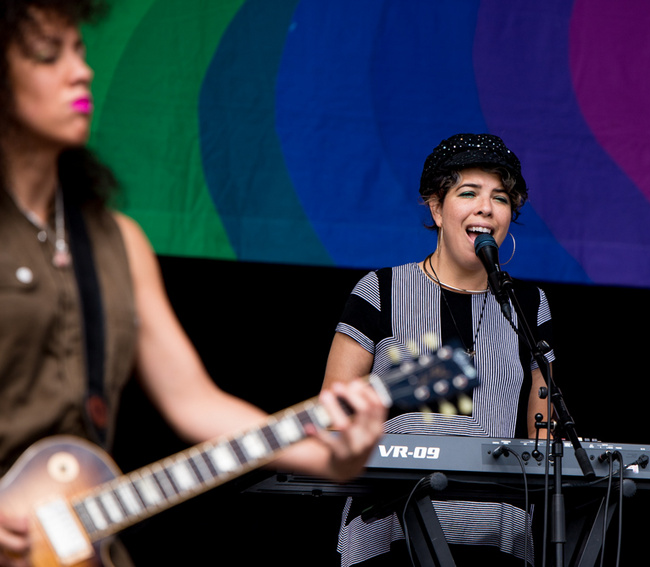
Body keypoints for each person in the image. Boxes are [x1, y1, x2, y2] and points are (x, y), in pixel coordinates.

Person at [0, 1, 386, 565]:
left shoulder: (117, 242)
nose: (80, 70)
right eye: (47, 55)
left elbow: (195, 403)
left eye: (79, 51)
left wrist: (329, 457)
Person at [322, 133, 556, 566]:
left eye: (500, 198)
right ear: (436, 207)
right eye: (468, 193)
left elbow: (544, 430)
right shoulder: (381, 290)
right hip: (390, 532)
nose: (486, 207)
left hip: (498, 537)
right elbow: (332, 415)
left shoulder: (529, 305)